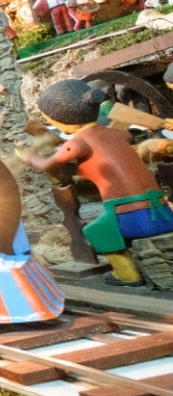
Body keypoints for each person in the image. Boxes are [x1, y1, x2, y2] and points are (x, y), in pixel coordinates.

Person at [17, 79, 173, 285]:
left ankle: (127, 274)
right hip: (162, 208)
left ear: (65, 122)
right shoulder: (118, 134)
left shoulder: (78, 143)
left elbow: (46, 164)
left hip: (133, 215)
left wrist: (25, 156)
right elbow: (122, 139)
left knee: (95, 230)